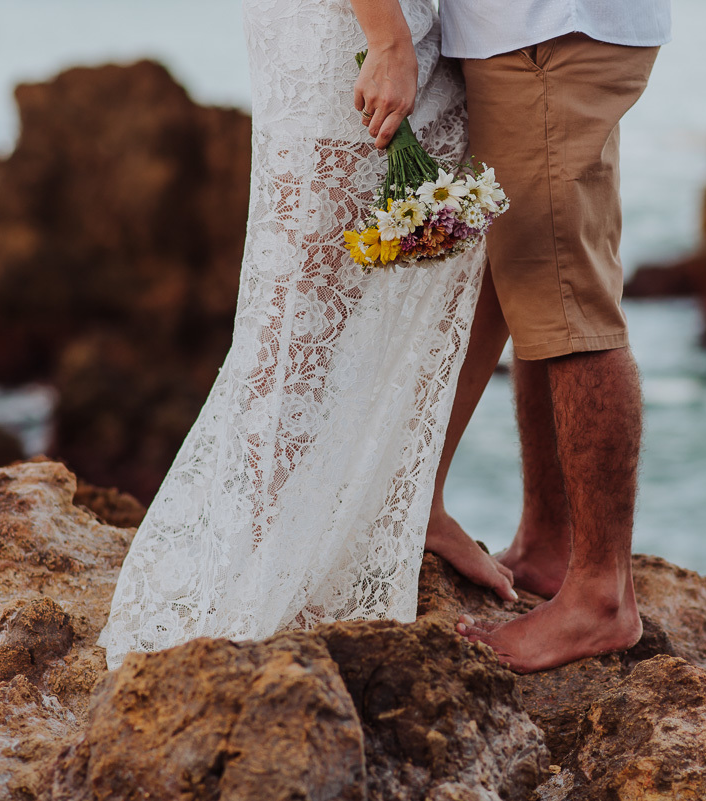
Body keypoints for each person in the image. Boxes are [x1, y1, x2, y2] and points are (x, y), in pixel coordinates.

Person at [98, 0, 516, 671]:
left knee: (458, 246)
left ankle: (404, 505)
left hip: (405, 25)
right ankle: (263, 570)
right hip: (352, 28)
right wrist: (385, 39)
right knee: (305, 302)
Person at [430, 0, 672, 672]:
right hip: (538, 33)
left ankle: (600, 598)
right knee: (540, 290)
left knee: (567, 301)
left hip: (546, 34)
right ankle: (549, 541)